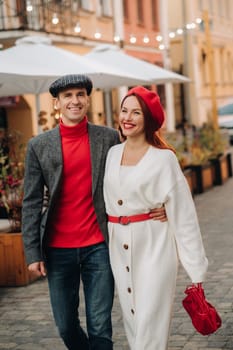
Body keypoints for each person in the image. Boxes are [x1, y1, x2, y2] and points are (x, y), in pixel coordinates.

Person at [22, 75, 167, 350]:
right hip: (57, 249)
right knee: (66, 326)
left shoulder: (109, 137)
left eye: (80, 94)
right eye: (68, 96)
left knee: (100, 327)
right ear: (57, 103)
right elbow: (30, 202)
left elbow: (136, 170)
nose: (74, 100)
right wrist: (32, 252)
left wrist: (161, 203)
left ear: (88, 99)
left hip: (99, 246)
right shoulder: (39, 145)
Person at [103, 86, 208, 350]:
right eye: (124, 111)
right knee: (132, 320)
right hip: (119, 247)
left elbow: (184, 216)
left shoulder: (164, 159)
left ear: (148, 119)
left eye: (136, 112)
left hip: (154, 246)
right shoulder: (112, 154)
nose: (127, 117)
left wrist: (196, 271)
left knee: (150, 322)